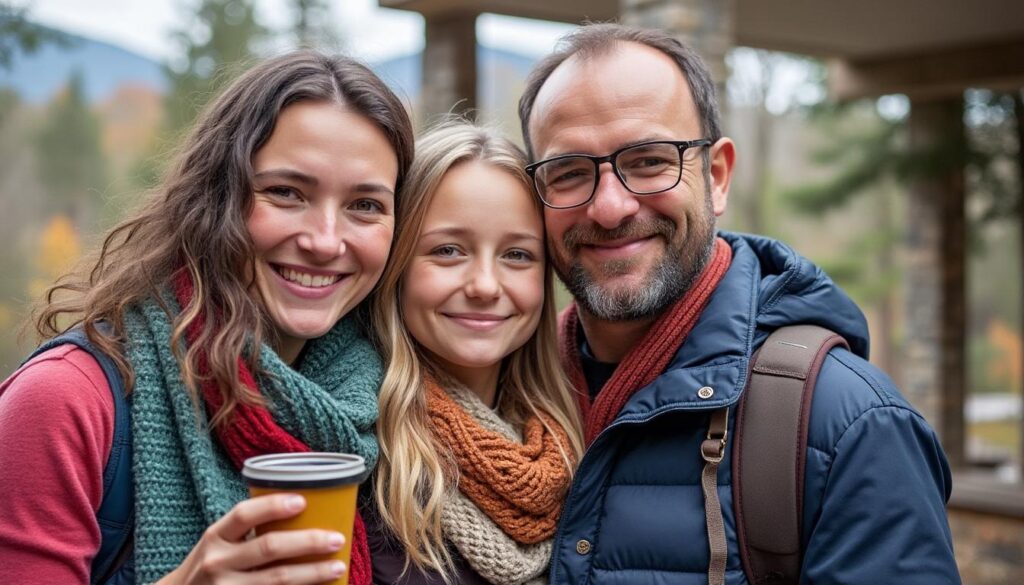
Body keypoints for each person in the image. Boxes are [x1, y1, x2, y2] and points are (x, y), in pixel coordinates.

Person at [516, 23, 961, 585]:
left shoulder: (851, 428)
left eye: (650, 160)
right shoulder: (506, 396)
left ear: (717, 176)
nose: (609, 207)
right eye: (570, 172)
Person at [0, 51, 414, 585]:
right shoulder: (66, 400)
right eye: (286, 193)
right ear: (214, 200)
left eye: (365, 205)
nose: (325, 240)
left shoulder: (385, 405)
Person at [362, 121, 584, 585]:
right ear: (396, 265)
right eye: (447, 250)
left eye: (517, 255)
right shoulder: (358, 449)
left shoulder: (576, 443)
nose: (484, 285)